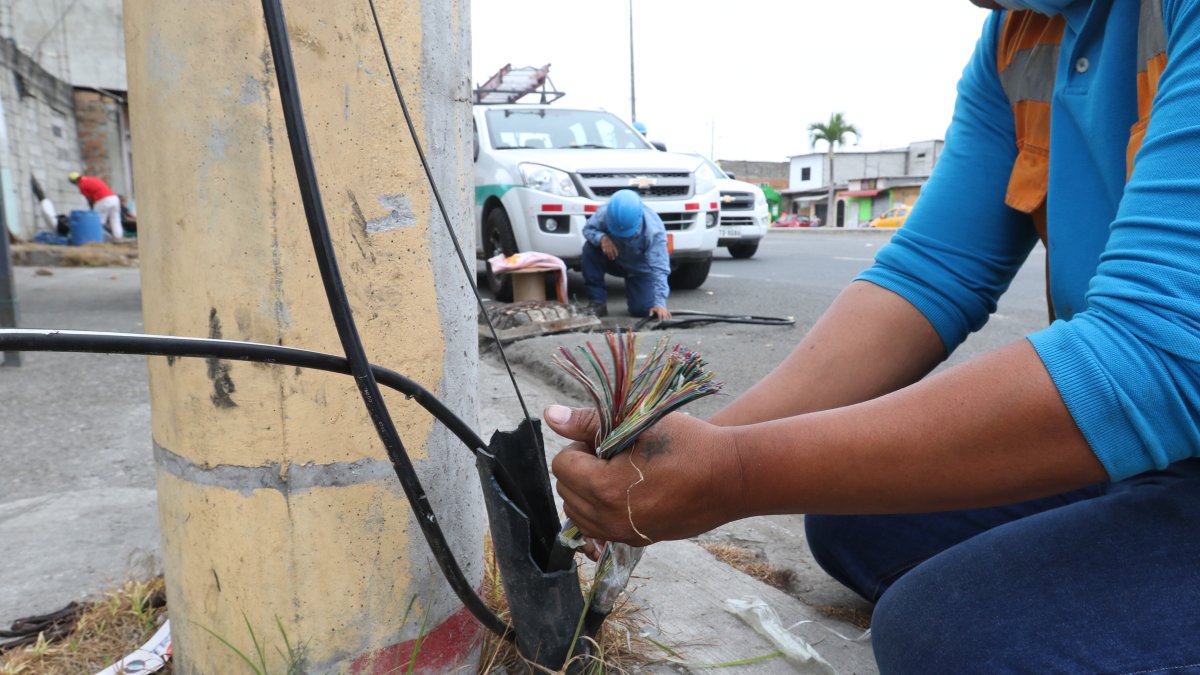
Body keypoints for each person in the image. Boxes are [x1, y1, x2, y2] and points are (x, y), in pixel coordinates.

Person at [546, 0, 1200, 671]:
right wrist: (680, 457)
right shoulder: (1019, 33)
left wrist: (734, 476)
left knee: (951, 631)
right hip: (1152, 451)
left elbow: (1158, 352)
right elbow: (930, 274)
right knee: (849, 516)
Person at [581, 189, 671, 320]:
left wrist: (660, 303)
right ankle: (597, 302)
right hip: (613, 259)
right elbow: (588, 229)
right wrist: (601, 238)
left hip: (638, 269)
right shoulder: (604, 213)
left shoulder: (654, 231)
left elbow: (660, 268)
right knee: (590, 248)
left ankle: (638, 296)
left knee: (642, 310)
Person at [68, 171, 122, 240]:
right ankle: (118, 237)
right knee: (115, 219)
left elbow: (89, 199)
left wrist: (91, 209)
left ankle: (98, 238)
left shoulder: (82, 185)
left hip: (103, 200)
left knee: (97, 220)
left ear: (74, 181)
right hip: (114, 198)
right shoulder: (93, 178)